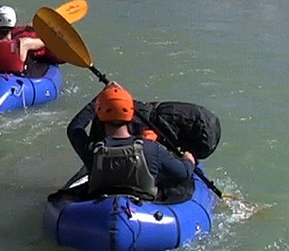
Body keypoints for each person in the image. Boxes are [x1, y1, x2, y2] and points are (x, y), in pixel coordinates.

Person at [67, 83, 196, 201]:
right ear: (131, 114)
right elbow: (183, 173)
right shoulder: (152, 149)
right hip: (143, 208)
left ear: (99, 113)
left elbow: (74, 128)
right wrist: (188, 160)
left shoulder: (91, 150)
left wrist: (100, 98)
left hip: (100, 205)